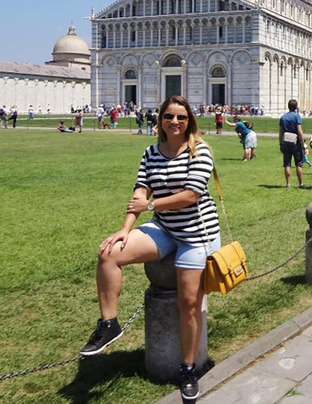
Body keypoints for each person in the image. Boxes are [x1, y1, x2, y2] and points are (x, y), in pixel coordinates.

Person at [79, 95, 219, 401]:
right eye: (169, 116)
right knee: (108, 254)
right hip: (165, 229)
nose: (175, 122)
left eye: (181, 117)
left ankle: (188, 368)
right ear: (161, 121)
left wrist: (151, 204)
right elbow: (139, 192)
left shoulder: (201, 150)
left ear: (189, 121)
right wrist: (125, 229)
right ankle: (109, 324)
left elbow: (191, 195)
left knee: (188, 303)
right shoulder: (151, 152)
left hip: (197, 234)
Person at [279, 99, 306, 188]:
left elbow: (280, 132)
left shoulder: (283, 117)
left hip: (285, 142)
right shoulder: (297, 116)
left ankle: (288, 184)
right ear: (296, 107)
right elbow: (299, 130)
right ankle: (300, 184)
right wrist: (303, 142)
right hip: (296, 143)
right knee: (298, 164)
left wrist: (280, 143)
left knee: (287, 164)